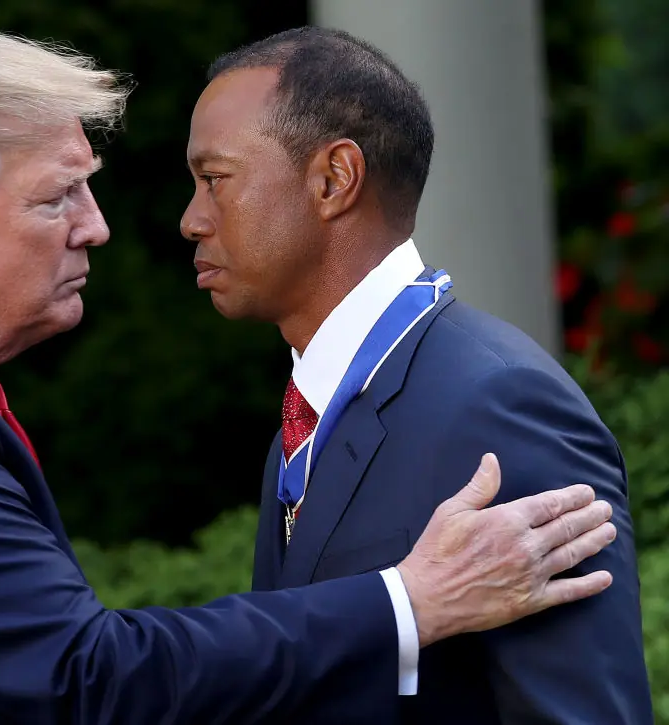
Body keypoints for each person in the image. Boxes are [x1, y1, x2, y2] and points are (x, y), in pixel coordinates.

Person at [0, 30, 616, 725]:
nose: (99, 225)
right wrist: (411, 600)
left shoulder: (483, 396)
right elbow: (87, 678)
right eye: (56, 195)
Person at [180, 26, 652, 724]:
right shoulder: (305, 418)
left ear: (334, 179)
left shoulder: (498, 401)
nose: (191, 219)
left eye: (215, 180)